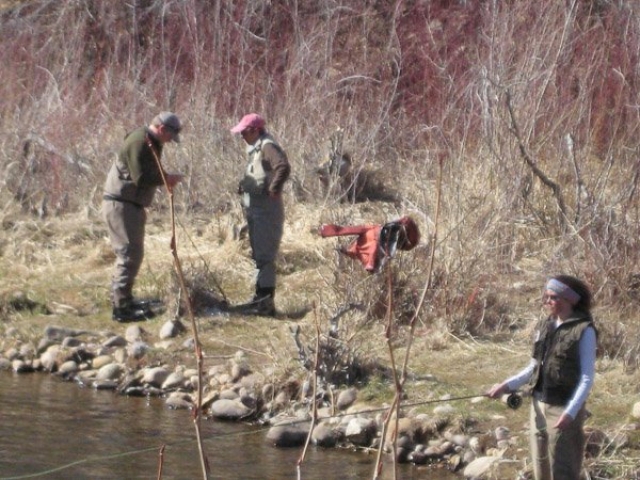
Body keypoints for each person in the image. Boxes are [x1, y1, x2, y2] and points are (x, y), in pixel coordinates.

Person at [487, 275, 597, 480]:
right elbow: (533, 367)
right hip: (538, 405)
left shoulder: (585, 331)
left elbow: (586, 378)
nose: (546, 302)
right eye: (545, 297)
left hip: (563, 409)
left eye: (552, 297)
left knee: (563, 472)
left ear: (569, 300)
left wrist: (570, 413)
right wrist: (506, 386)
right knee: (541, 470)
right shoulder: (545, 325)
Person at [102, 112, 183, 322]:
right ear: (162, 129)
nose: (170, 141)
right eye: (170, 136)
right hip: (121, 204)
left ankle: (126, 299)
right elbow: (141, 177)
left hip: (131, 204)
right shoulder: (139, 142)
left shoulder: (151, 142)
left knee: (134, 254)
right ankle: (121, 309)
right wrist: (167, 178)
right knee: (128, 254)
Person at [231, 113, 291, 317]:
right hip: (256, 208)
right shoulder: (257, 147)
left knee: (265, 256)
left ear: (255, 130)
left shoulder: (267, 146)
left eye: (244, 132)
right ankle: (259, 299)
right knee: (259, 255)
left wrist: (274, 189)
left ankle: (265, 304)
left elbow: (282, 166)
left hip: (267, 209)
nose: (242, 137)